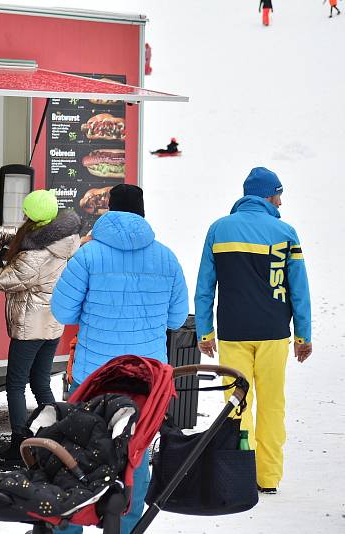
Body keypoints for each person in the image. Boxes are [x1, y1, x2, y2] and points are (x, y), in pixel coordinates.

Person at [50, 184, 189, 534]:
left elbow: (62, 310)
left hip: (92, 375)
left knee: (78, 451)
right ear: (142, 212)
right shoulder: (166, 257)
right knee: (135, 452)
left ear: (109, 210)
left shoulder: (88, 255)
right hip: (145, 378)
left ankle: (71, 526)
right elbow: (176, 319)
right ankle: (126, 526)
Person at [194, 167, 312, 495]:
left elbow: (205, 287)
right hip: (274, 333)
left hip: (232, 334)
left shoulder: (219, 230)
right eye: (279, 195)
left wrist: (205, 332)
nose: (281, 201)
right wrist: (303, 335)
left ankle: (239, 472)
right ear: (267, 195)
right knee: (272, 404)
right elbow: (299, 289)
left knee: (236, 404)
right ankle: (268, 477)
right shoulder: (285, 232)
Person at [0, 189, 82, 463]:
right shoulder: (61, 236)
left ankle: (20, 444)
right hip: (52, 323)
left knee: (16, 384)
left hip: (31, 325)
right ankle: (53, 438)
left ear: (34, 216)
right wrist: (1, 235)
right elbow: (24, 236)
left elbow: (6, 279)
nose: (24, 215)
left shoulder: (36, 254)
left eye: (27, 212)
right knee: (41, 382)